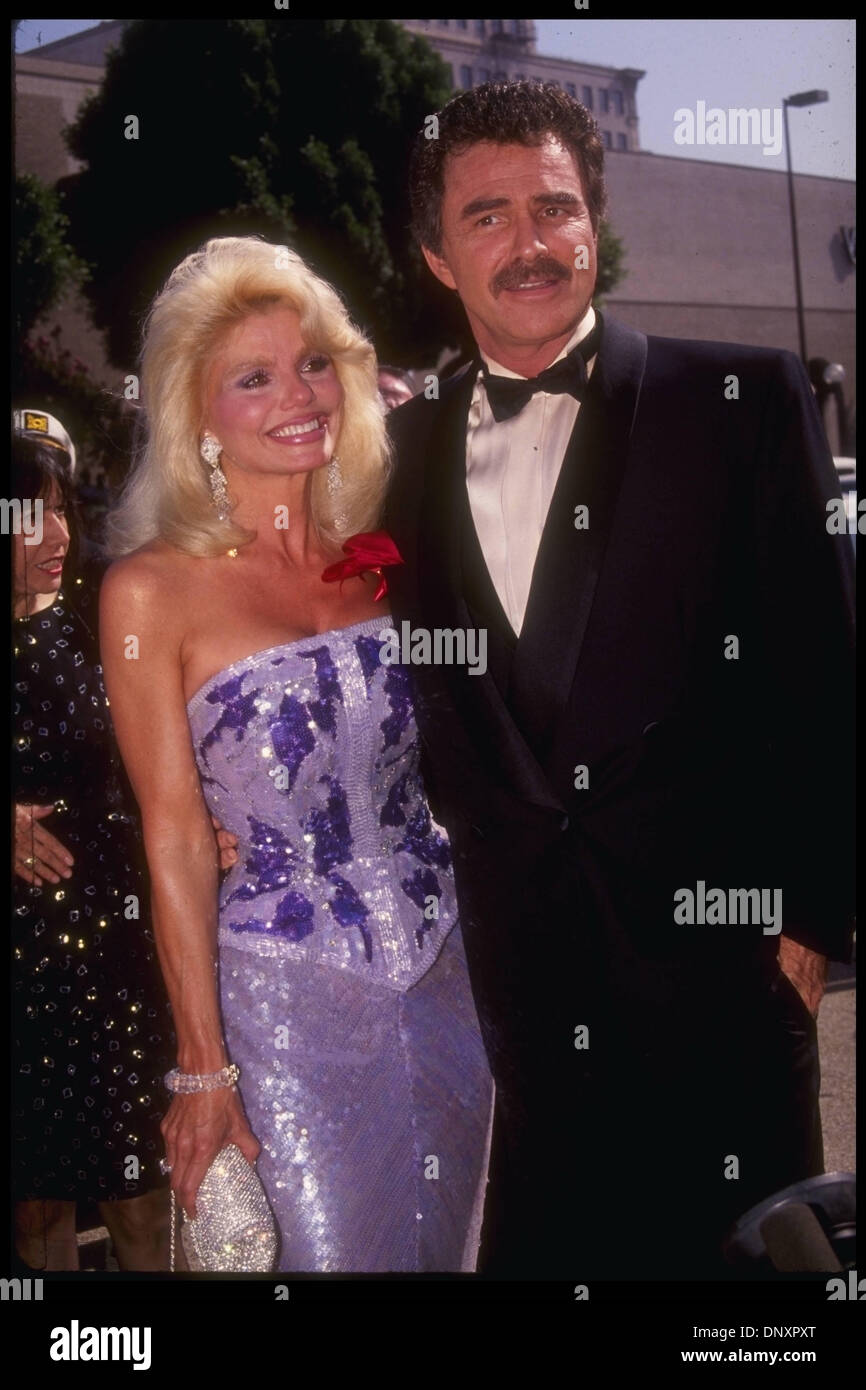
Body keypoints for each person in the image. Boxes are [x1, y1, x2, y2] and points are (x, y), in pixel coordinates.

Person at [384, 81, 855, 1279]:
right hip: (520, 1009)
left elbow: (819, 679)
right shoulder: (393, 449)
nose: (530, 243)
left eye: (554, 208)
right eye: (486, 216)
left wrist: (805, 925)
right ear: (436, 256)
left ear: (595, 224)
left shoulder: (737, 399)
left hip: (726, 991)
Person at [99, 236, 494, 1273]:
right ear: (193, 412)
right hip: (283, 1007)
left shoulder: (389, 542)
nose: (300, 393)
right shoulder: (148, 591)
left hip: (449, 977)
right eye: (254, 377)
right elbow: (176, 830)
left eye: (313, 361)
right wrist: (201, 1067)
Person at [11, 416, 176, 1271]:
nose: (59, 535)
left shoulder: (94, 621)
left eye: (64, 511)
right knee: (37, 1210)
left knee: (141, 1196)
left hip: (117, 965)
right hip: (23, 977)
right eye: (31, 515)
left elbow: (150, 757)